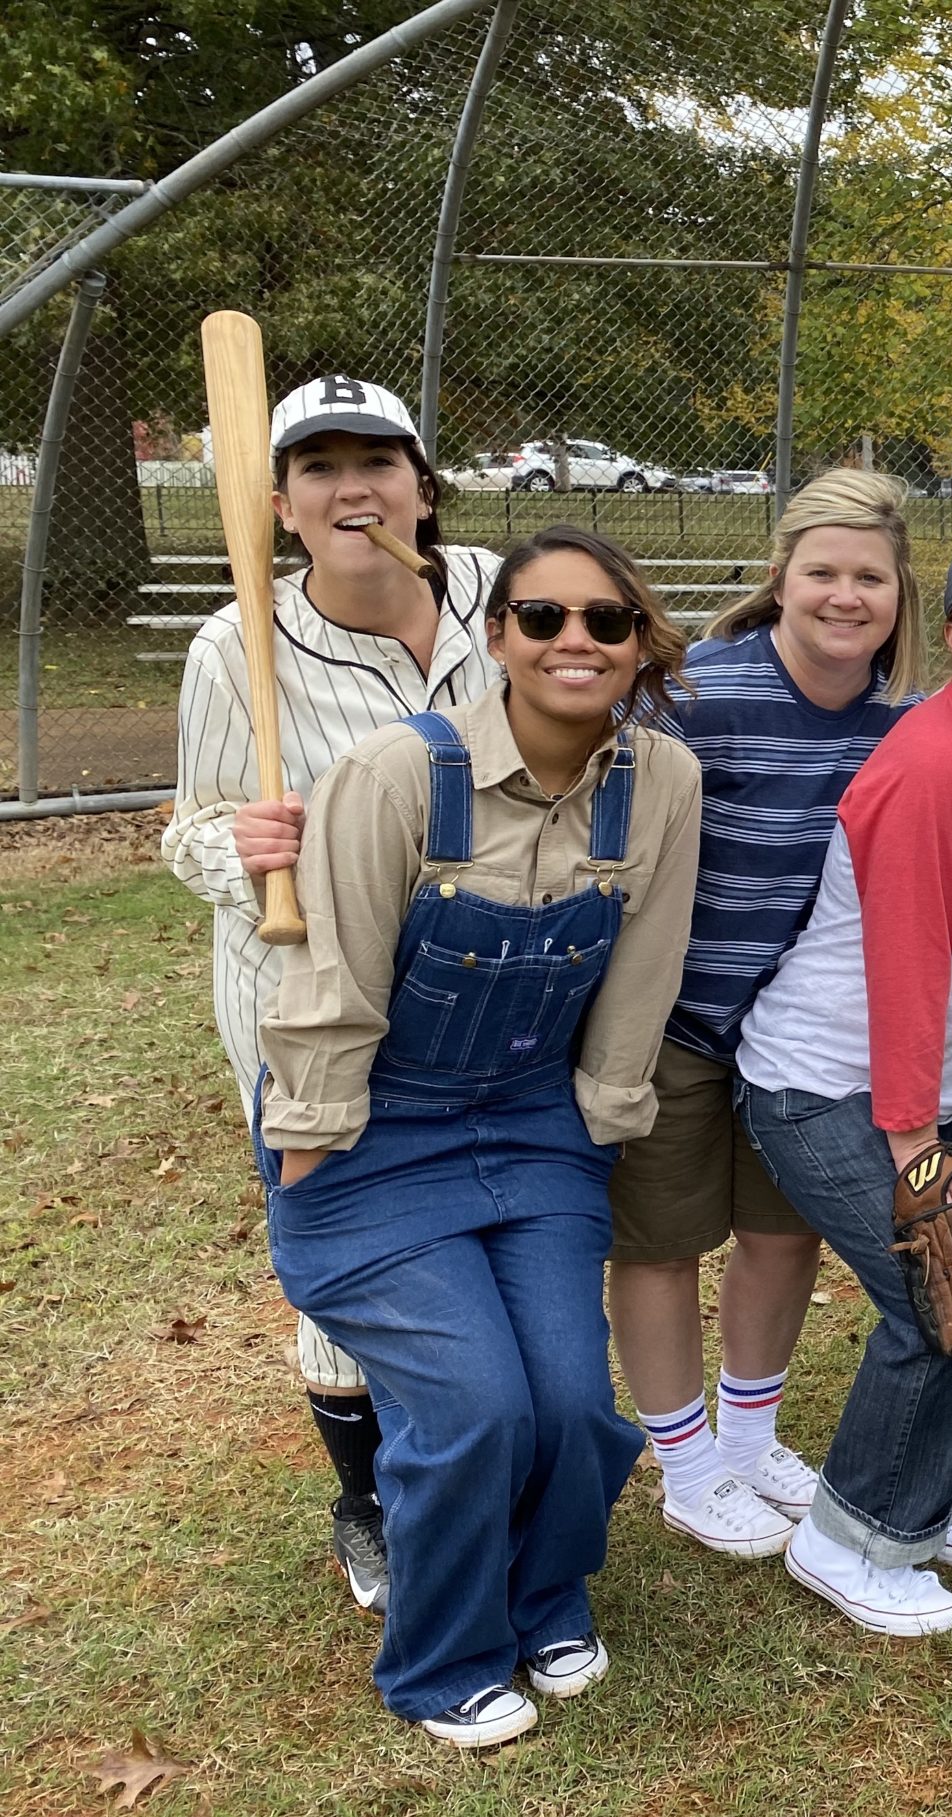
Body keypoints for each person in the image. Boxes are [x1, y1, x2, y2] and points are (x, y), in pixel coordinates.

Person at [255, 526, 701, 1747]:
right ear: (496, 635)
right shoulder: (398, 774)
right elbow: (330, 974)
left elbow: (642, 978)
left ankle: (542, 1592)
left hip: (534, 1127)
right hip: (375, 1136)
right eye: (544, 617)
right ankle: (443, 1655)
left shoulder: (661, 781)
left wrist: (600, 1133)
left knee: (566, 1401)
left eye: (606, 621)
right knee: (474, 1407)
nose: (576, 641)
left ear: (635, 642)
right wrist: (310, 1165)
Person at [164, 375, 504, 1619]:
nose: (353, 488)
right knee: (342, 1234)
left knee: (483, 1215)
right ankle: (366, 1499)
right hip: (302, 985)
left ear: (423, 480)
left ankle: (481, 1448)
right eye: (319, 468)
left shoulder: (495, 592)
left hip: (479, 980)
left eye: (379, 461)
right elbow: (188, 827)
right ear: (280, 504)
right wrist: (238, 844)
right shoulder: (232, 643)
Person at [734, 524, 952, 1636]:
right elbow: (907, 958)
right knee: (940, 1286)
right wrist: (908, 1145)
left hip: (943, 1080)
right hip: (830, 1083)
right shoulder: (939, 762)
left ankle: (940, 1495)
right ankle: (853, 1538)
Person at [603, 471, 924, 1562]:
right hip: (675, 1028)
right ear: (780, 576)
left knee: (783, 1236)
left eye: (868, 576)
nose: (845, 595)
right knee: (659, 1243)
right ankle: (687, 1467)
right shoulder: (696, 697)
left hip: (801, 1043)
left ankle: (747, 1442)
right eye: (822, 571)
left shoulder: (909, 720)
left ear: (899, 591)